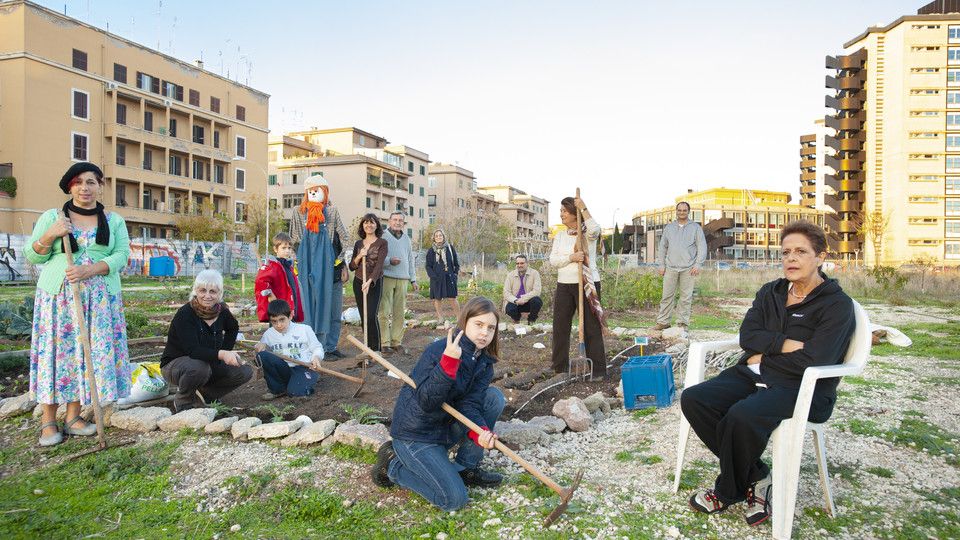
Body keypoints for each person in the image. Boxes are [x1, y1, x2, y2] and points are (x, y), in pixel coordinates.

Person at [680, 221, 855, 527]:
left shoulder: (837, 305)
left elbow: (816, 359)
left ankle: (728, 490)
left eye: (801, 251)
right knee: (695, 399)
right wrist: (784, 345)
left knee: (740, 416)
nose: (791, 258)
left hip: (803, 388)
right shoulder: (770, 292)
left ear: (820, 256)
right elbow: (748, 335)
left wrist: (767, 356)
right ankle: (757, 476)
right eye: (786, 252)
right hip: (752, 374)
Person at [25, 162, 133, 447]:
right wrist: (50, 234)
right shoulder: (53, 216)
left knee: (83, 356)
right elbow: (33, 255)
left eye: (91, 182)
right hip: (58, 298)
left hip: (99, 301)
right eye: (78, 183)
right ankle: (48, 421)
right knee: (57, 354)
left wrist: (91, 269)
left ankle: (73, 418)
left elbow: (122, 255)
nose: (84, 188)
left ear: (100, 186)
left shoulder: (114, 220)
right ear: (70, 187)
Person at [371, 296, 506, 511]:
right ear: (464, 322)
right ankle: (393, 465)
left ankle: (465, 469)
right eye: (478, 325)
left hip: (443, 428)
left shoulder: (483, 361)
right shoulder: (439, 350)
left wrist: (479, 432)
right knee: (453, 500)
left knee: (493, 398)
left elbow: (470, 404)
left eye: (491, 328)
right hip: (416, 434)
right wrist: (448, 363)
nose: (484, 333)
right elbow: (426, 402)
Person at [161, 269, 253, 411]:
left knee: (244, 370)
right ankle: (183, 401)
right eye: (203, 290)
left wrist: (226, 351)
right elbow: (193, 351)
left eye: (213, 291)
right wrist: (222, 354)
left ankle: (207, 395)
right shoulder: (186, 314)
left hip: (207, 363)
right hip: (177, 365)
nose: (207, 296)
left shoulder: (221, 310)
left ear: (220, 293)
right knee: (199, 368)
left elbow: (233, 328)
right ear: (196, 291)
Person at [289, 174, 349, 352]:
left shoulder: (331, 211)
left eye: (318, 190)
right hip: (306, 260)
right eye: (311, 190)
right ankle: (309, 344)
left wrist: (338, 260)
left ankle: (327, 346)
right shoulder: (298, 212)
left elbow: (344, 237)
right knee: (307, 302)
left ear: (326, 192)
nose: (314, 193)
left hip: (327, 263)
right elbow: (294, 238)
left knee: (326, 301)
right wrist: (296, 262)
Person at [549, 195, 606, 379]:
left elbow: (595, 229)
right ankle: (560, 368)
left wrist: (584, 207)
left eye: (564, 211)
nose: (561, 215)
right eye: (561, 211)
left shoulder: (587, 234)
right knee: (560, 326)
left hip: (586, 284)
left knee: (591, 327)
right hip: (565, 285)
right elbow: (553, 260)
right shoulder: (559, 236)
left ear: (575, 214)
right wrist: (571, 258)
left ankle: (597, 370)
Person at [253, 299, 324, 399]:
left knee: (295, 393)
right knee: (262, 356)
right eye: (274, 321)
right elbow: (264, 354)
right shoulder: (269, 334)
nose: (279, 325)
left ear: (290, 316)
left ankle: (301, 385)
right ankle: (278, 389)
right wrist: (260, 345)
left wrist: (316, 357)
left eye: (282, 320)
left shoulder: (304, 329)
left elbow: (317, 347)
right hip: (284, 369)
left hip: (303, 367)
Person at [653, 201, 707, 331]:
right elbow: (662, 247)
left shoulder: (695, 228)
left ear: (688, 212)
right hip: (670, 268)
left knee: (685, 298)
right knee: (666, 296)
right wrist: (661, 264)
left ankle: (682, 324)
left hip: (688, 269)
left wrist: (698, 264)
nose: (682, 212)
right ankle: (663, 322)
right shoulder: (669, 228)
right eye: (679, 210)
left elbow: (702, 246)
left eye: (684, 210)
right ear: (676, 211)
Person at [378, 212, 419, 354]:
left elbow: (410, 260)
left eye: (400, 220)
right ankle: (384, 342)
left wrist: (413, 279)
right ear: (389, 221)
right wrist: (390, 261)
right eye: (395, 220)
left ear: (403, 223)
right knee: (384, 311)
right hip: (387, 277)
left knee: (399, 312)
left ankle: (396, 341)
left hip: (403, 278)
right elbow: (377, 258)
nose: (397, 222)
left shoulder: (407, 239)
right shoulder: (383, 236)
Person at [349, 214, 388, 353]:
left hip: (374, 283)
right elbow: (352, 266)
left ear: (376, 225)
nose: (369, 225)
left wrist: (370, 280)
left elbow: (379, 266)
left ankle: (376, 349)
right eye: (366, 223)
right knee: (363, 316)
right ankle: (367, 348)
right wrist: (360, 255)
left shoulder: (382, 243)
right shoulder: (358, 244)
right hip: (359, 281)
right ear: (362, 226)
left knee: (371, 315)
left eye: (371, 223)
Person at [254, 232, 304, 323]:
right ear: (275, 249)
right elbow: (260, 281)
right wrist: (270, 294)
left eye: (289, 248)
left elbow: (293, 289)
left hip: (289, 309)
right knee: (278, 334)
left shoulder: (289, 266)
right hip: (278, 311)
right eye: (283, 248)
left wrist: (294, 307)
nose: (287, 251)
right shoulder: (272, 266)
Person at [425, 229, 460, 324]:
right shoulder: (431, 251)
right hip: (436, 278)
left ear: (443, 237)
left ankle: (459, 318)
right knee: (438, 298)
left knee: (452, 298)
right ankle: (440, 318)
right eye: (436, 236)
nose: (438, 237)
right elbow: (428, 266)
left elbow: (456, 263)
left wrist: (455, 274)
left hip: (449, 277)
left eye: (440, 235)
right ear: (434, 238)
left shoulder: (450, 248)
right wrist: (433, 276)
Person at [502, 254, 542, 324]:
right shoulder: (510, 275)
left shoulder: (535, 273)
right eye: (517, 263)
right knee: (509, 308)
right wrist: (516, 300)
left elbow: (537, 291)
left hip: (529, 302)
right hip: (516, 302)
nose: (519, 265)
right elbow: (506, 292)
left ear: (527, 263)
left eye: (522, 263)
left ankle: (531, 320)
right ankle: (516, 319)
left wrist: (524, 298)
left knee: (537, 301)